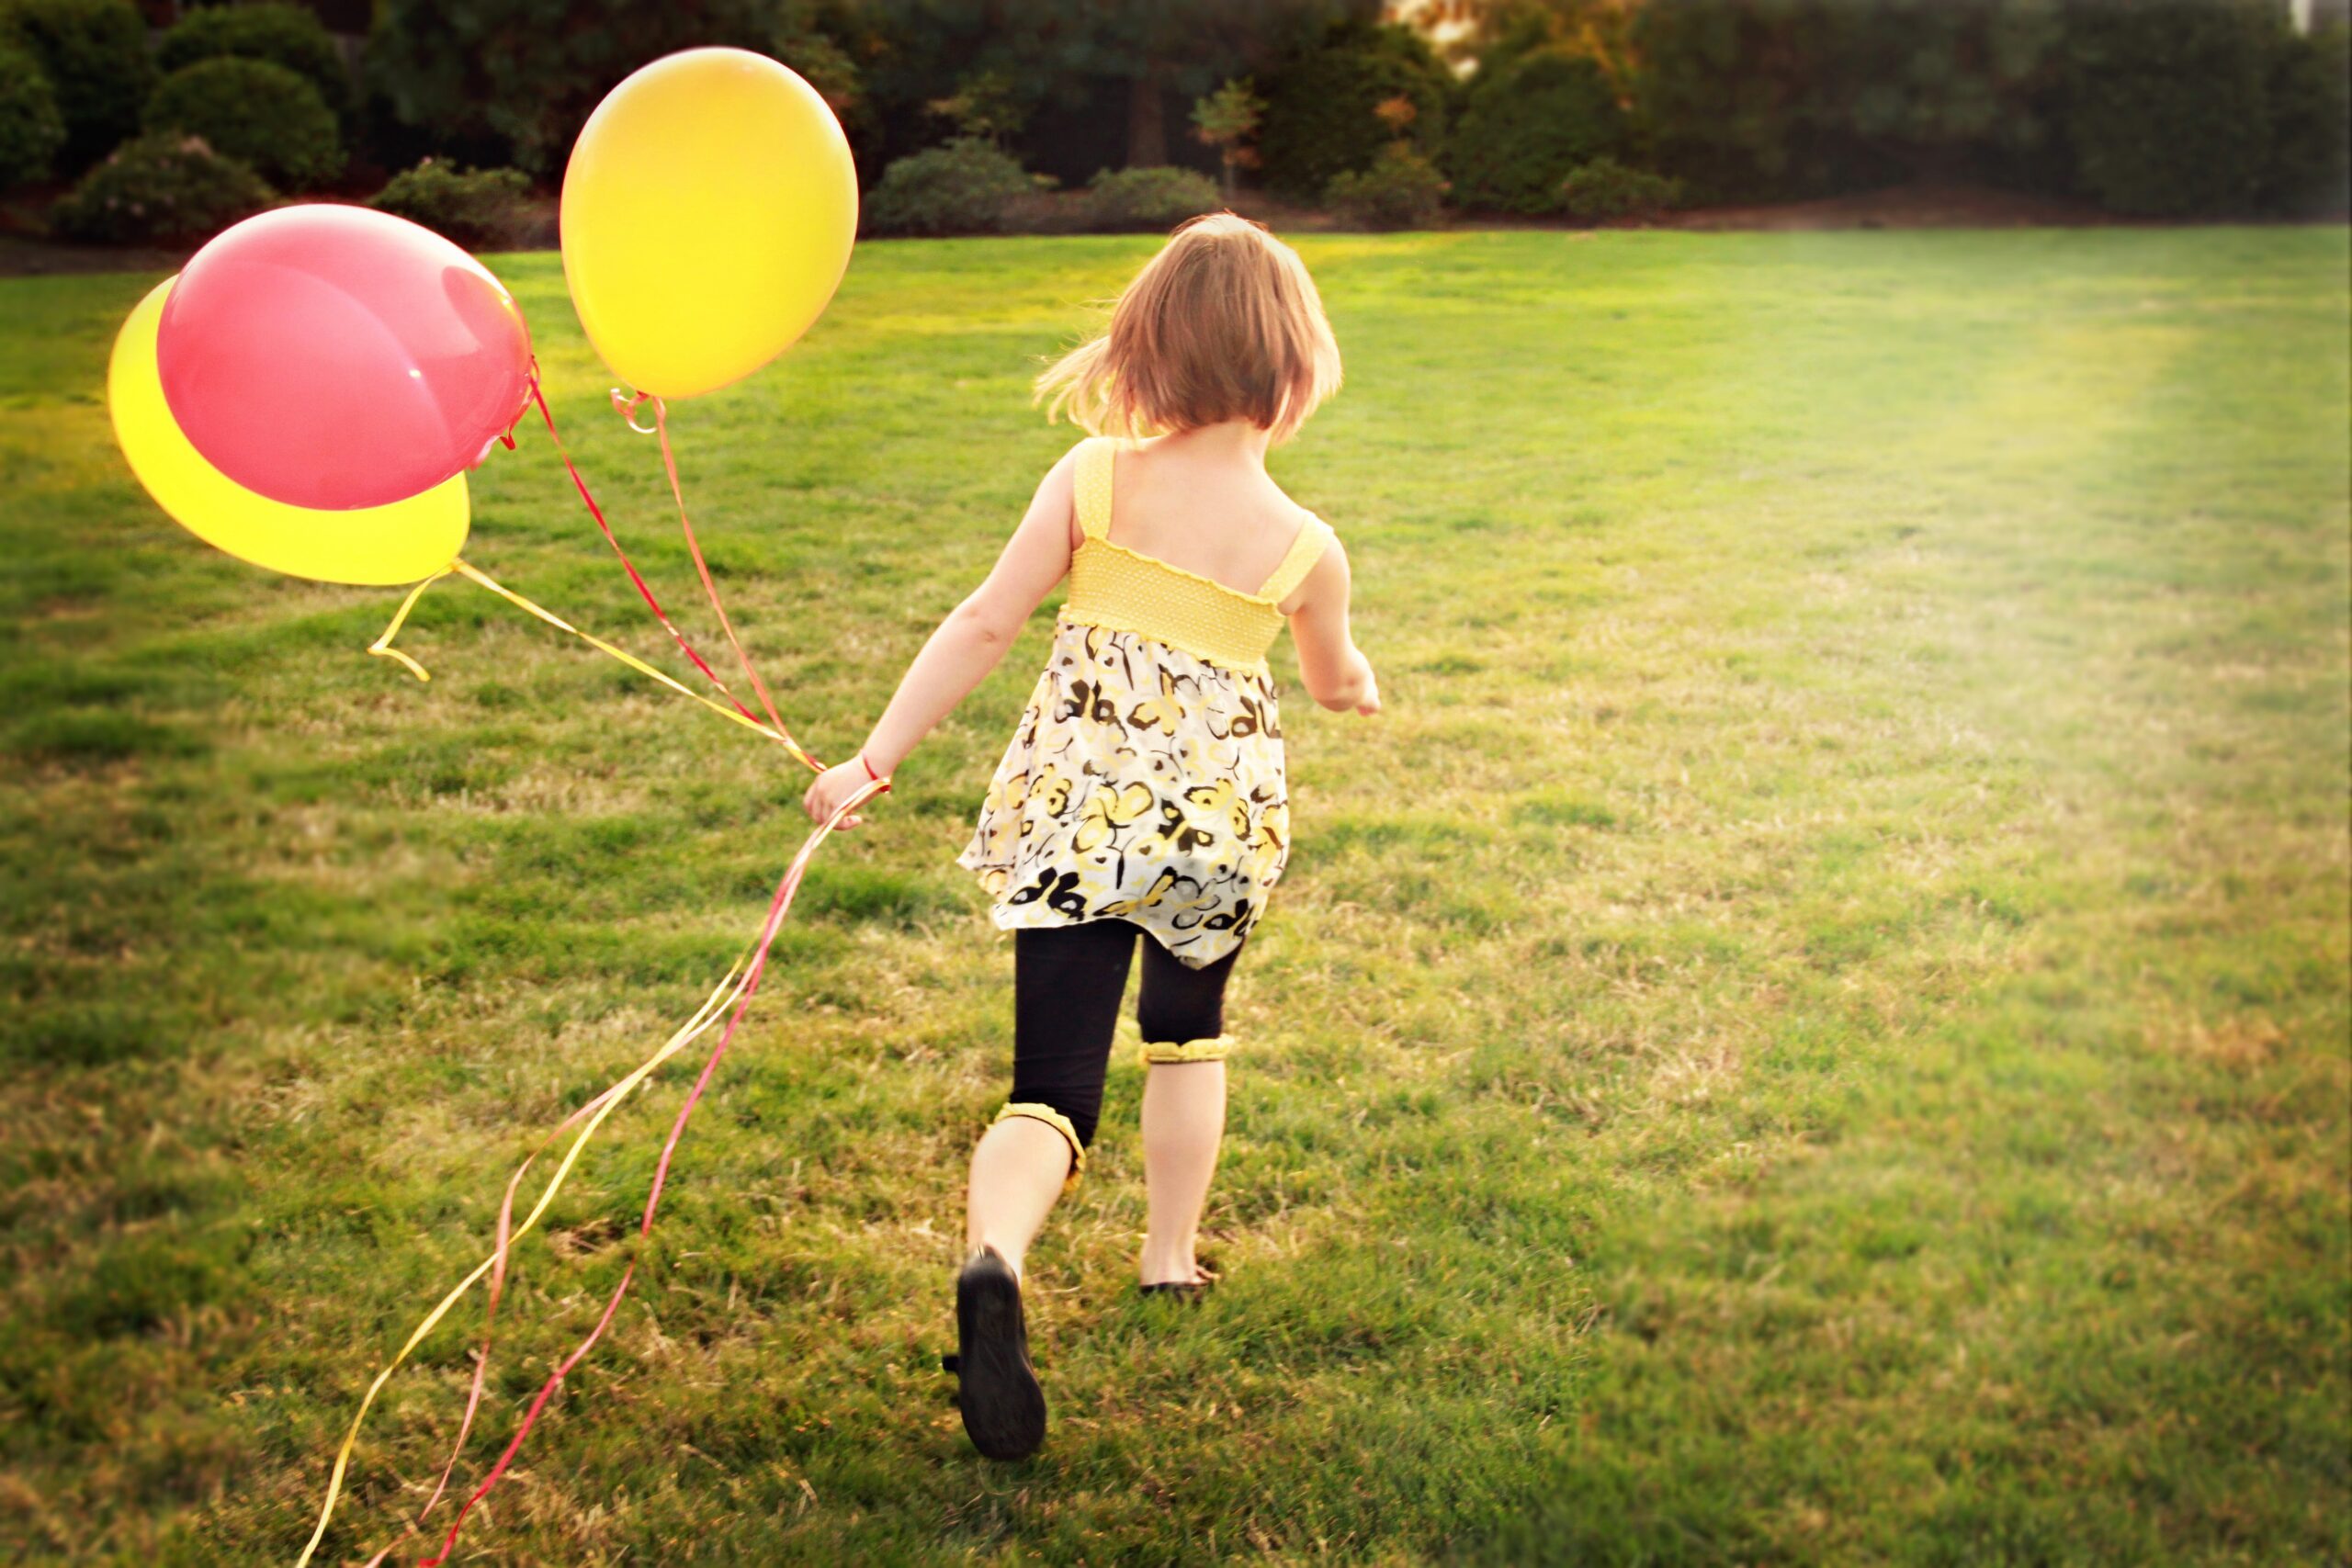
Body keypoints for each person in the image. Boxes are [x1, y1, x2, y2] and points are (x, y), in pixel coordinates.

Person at [802, 213, 1380, 1460]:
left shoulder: (1093, 482)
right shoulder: (1306, 546)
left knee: (1051, 1089)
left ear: (1152, 349)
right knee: (1187, 1040)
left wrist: (873, 757)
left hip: (1081, 817)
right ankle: (1169, 1257)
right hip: (1214, 837)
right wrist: (1358, 682)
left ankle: (997, 1256)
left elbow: (984, 622)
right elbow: (1333, 680)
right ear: (1292, 368)